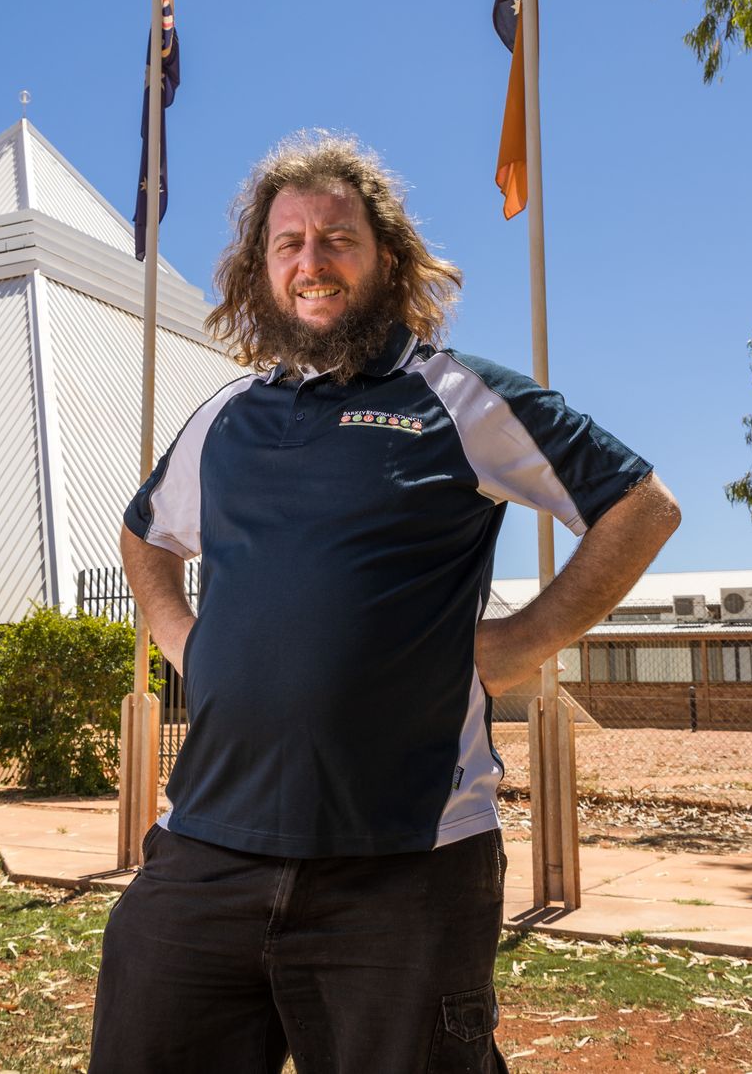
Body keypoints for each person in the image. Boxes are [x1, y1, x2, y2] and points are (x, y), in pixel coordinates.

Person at [91, 131, 680, 1074]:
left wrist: (522, 641)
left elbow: (640, 507)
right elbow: (144, 535)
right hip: (205, 849)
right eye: (288, 243)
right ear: (261, 269)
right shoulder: (223, 419)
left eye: (337, 238)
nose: (311, 262)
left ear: (387, 258)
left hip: (406, 862)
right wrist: (189, 648)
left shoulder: (457, 397)